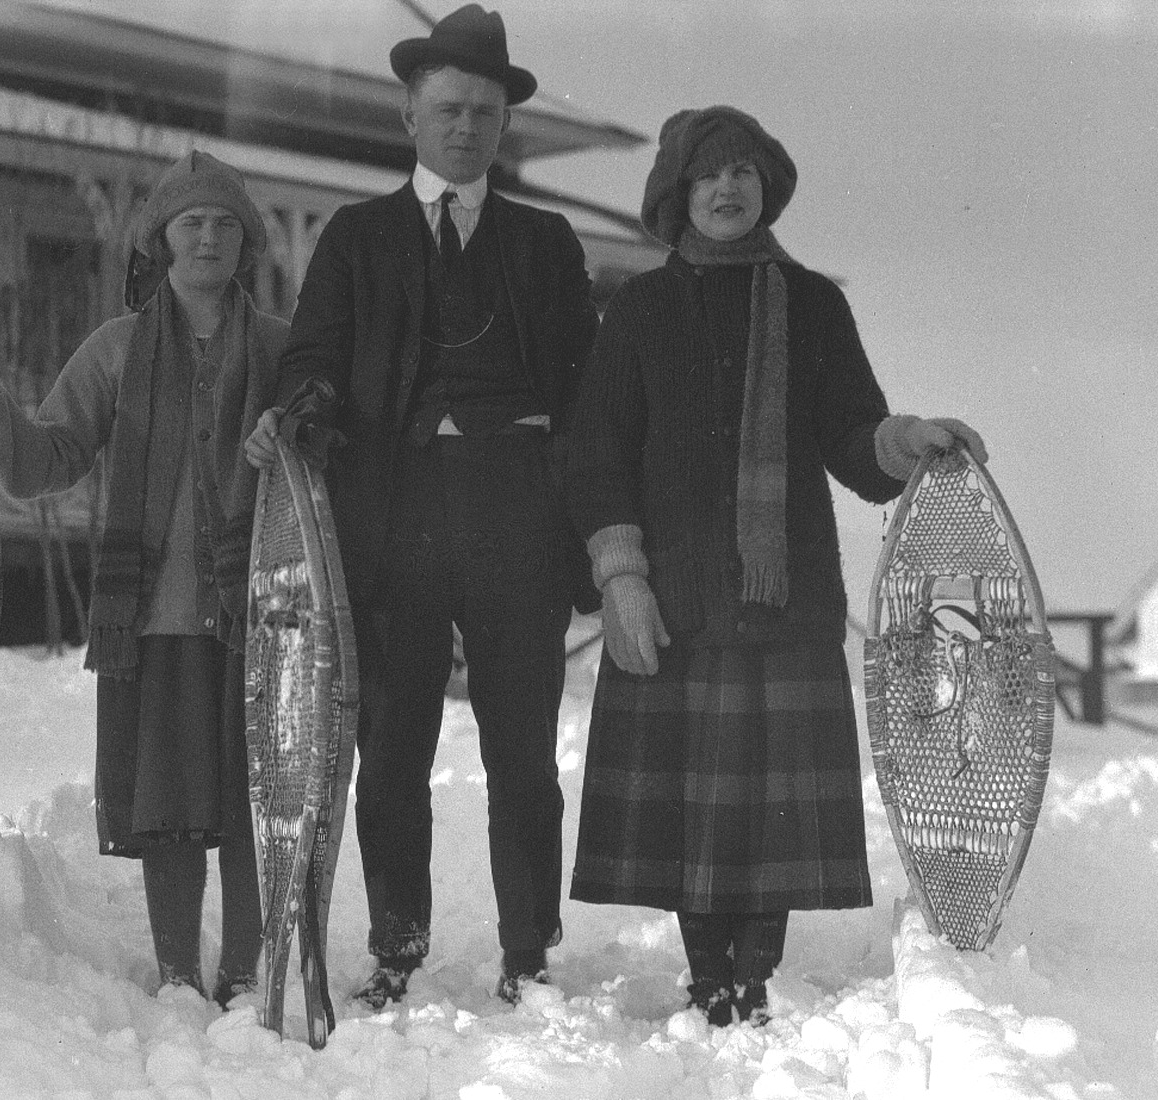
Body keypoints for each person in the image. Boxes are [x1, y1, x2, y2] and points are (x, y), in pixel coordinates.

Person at [565, 105, 988, 1027]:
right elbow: (596, 454)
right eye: (710, 176)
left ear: (767, 190)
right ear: (677, 196)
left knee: (769, 806)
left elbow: (848, 435)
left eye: (744, 175)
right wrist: (620, 578)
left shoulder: (812, 304)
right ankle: (707, 970)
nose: (727, 189)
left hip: (785, 594)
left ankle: (750, 976)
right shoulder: (637, 311)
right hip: (672, 598)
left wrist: (906, 438)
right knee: (698, 806)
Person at [244, 4, 599, 1006]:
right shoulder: (357, 238)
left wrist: (576, 530)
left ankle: (528, 954)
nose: (464, 128)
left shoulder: (544, 241)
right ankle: (395, 949)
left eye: (483, 113)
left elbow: (582, 391)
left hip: (514, 525)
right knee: (390, 751)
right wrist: (298, 412)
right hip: (390, 526)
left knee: (523, 754)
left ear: (502, 125)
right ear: (408, 118)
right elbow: (313, 358)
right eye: (446, 110)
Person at [0, 151, 287, 1007]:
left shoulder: (283, 349)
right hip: (157, 610)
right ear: (160, 240)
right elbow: (50, 452)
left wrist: (298, 426)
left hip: (263, 608)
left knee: (251, 798)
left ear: (248, 245)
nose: (208, 237)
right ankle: (176, 976)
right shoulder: (118, 349)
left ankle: (243, 975)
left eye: (225, 224)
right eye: (191, 223)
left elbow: (330, 445)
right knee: (171, 800)